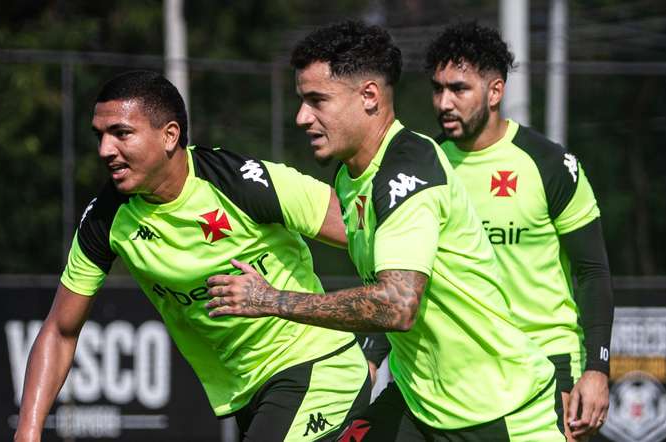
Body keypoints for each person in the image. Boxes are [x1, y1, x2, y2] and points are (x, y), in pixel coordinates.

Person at [205, 21, 564, 442]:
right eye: (301, 101)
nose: (302, 117)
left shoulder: (407, 167)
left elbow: (396, 304)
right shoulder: (349, 177)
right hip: (419, 405)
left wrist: (271, 299)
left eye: (318, 100)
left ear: (369, 96)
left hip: (499, 412)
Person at [14, 70, 370, 442]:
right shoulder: (105, 219)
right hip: (246, 394)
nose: (105, 149)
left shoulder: (243, 182)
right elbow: (60, 330)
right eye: (99, 136)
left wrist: (380, 337)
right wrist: (28, 430)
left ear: (169, 135)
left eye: (121, 134)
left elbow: (373, 236)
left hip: (317, 367)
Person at [426, 22, 614, 441]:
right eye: (437, 89)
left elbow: (592, 272)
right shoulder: (425, 166)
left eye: (459, 89)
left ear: (495, 92)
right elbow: (407, 271)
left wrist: (597, 369)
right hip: (459, 371)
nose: (444, 102)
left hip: (547, 364)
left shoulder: (548, 163)